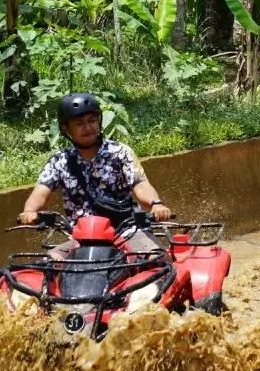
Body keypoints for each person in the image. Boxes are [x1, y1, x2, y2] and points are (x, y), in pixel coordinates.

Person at [19, 93, 172, 260]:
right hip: (81, 240)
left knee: (158, 260)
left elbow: (140, 184)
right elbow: (41, 192)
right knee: (48, 265)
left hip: (126, 232)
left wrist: (156, 204)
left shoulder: (120, 153)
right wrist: (29, 211)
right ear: (66, 129)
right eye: (79, 123)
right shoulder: (59, 160)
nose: (88, 127)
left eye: (92, 120)